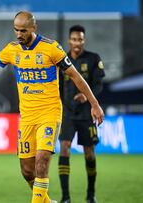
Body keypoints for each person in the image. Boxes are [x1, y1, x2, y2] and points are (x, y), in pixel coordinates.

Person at [0, 11, 104, 203]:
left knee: (42, 160)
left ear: (34, 28)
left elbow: (75, 76)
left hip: (50, 112)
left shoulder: (51, 48)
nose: (19, 34)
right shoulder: (12, 50)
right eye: (16, 30)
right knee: (27, 171)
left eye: (23, 30)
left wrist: (94, 104)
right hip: (27, 117)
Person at [58, 25, 105, 203]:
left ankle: (91, 194)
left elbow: (99, 84)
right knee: (64, 148)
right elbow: (58, 86)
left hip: (87, 115)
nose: (77, 43)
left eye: (80, 39)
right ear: (69, 40)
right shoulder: (62, 60)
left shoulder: (93, 59)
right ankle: (65, 197)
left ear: (84, 40)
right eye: (74, 39)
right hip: (68, 114)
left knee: (89, 153)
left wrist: (87, 96)